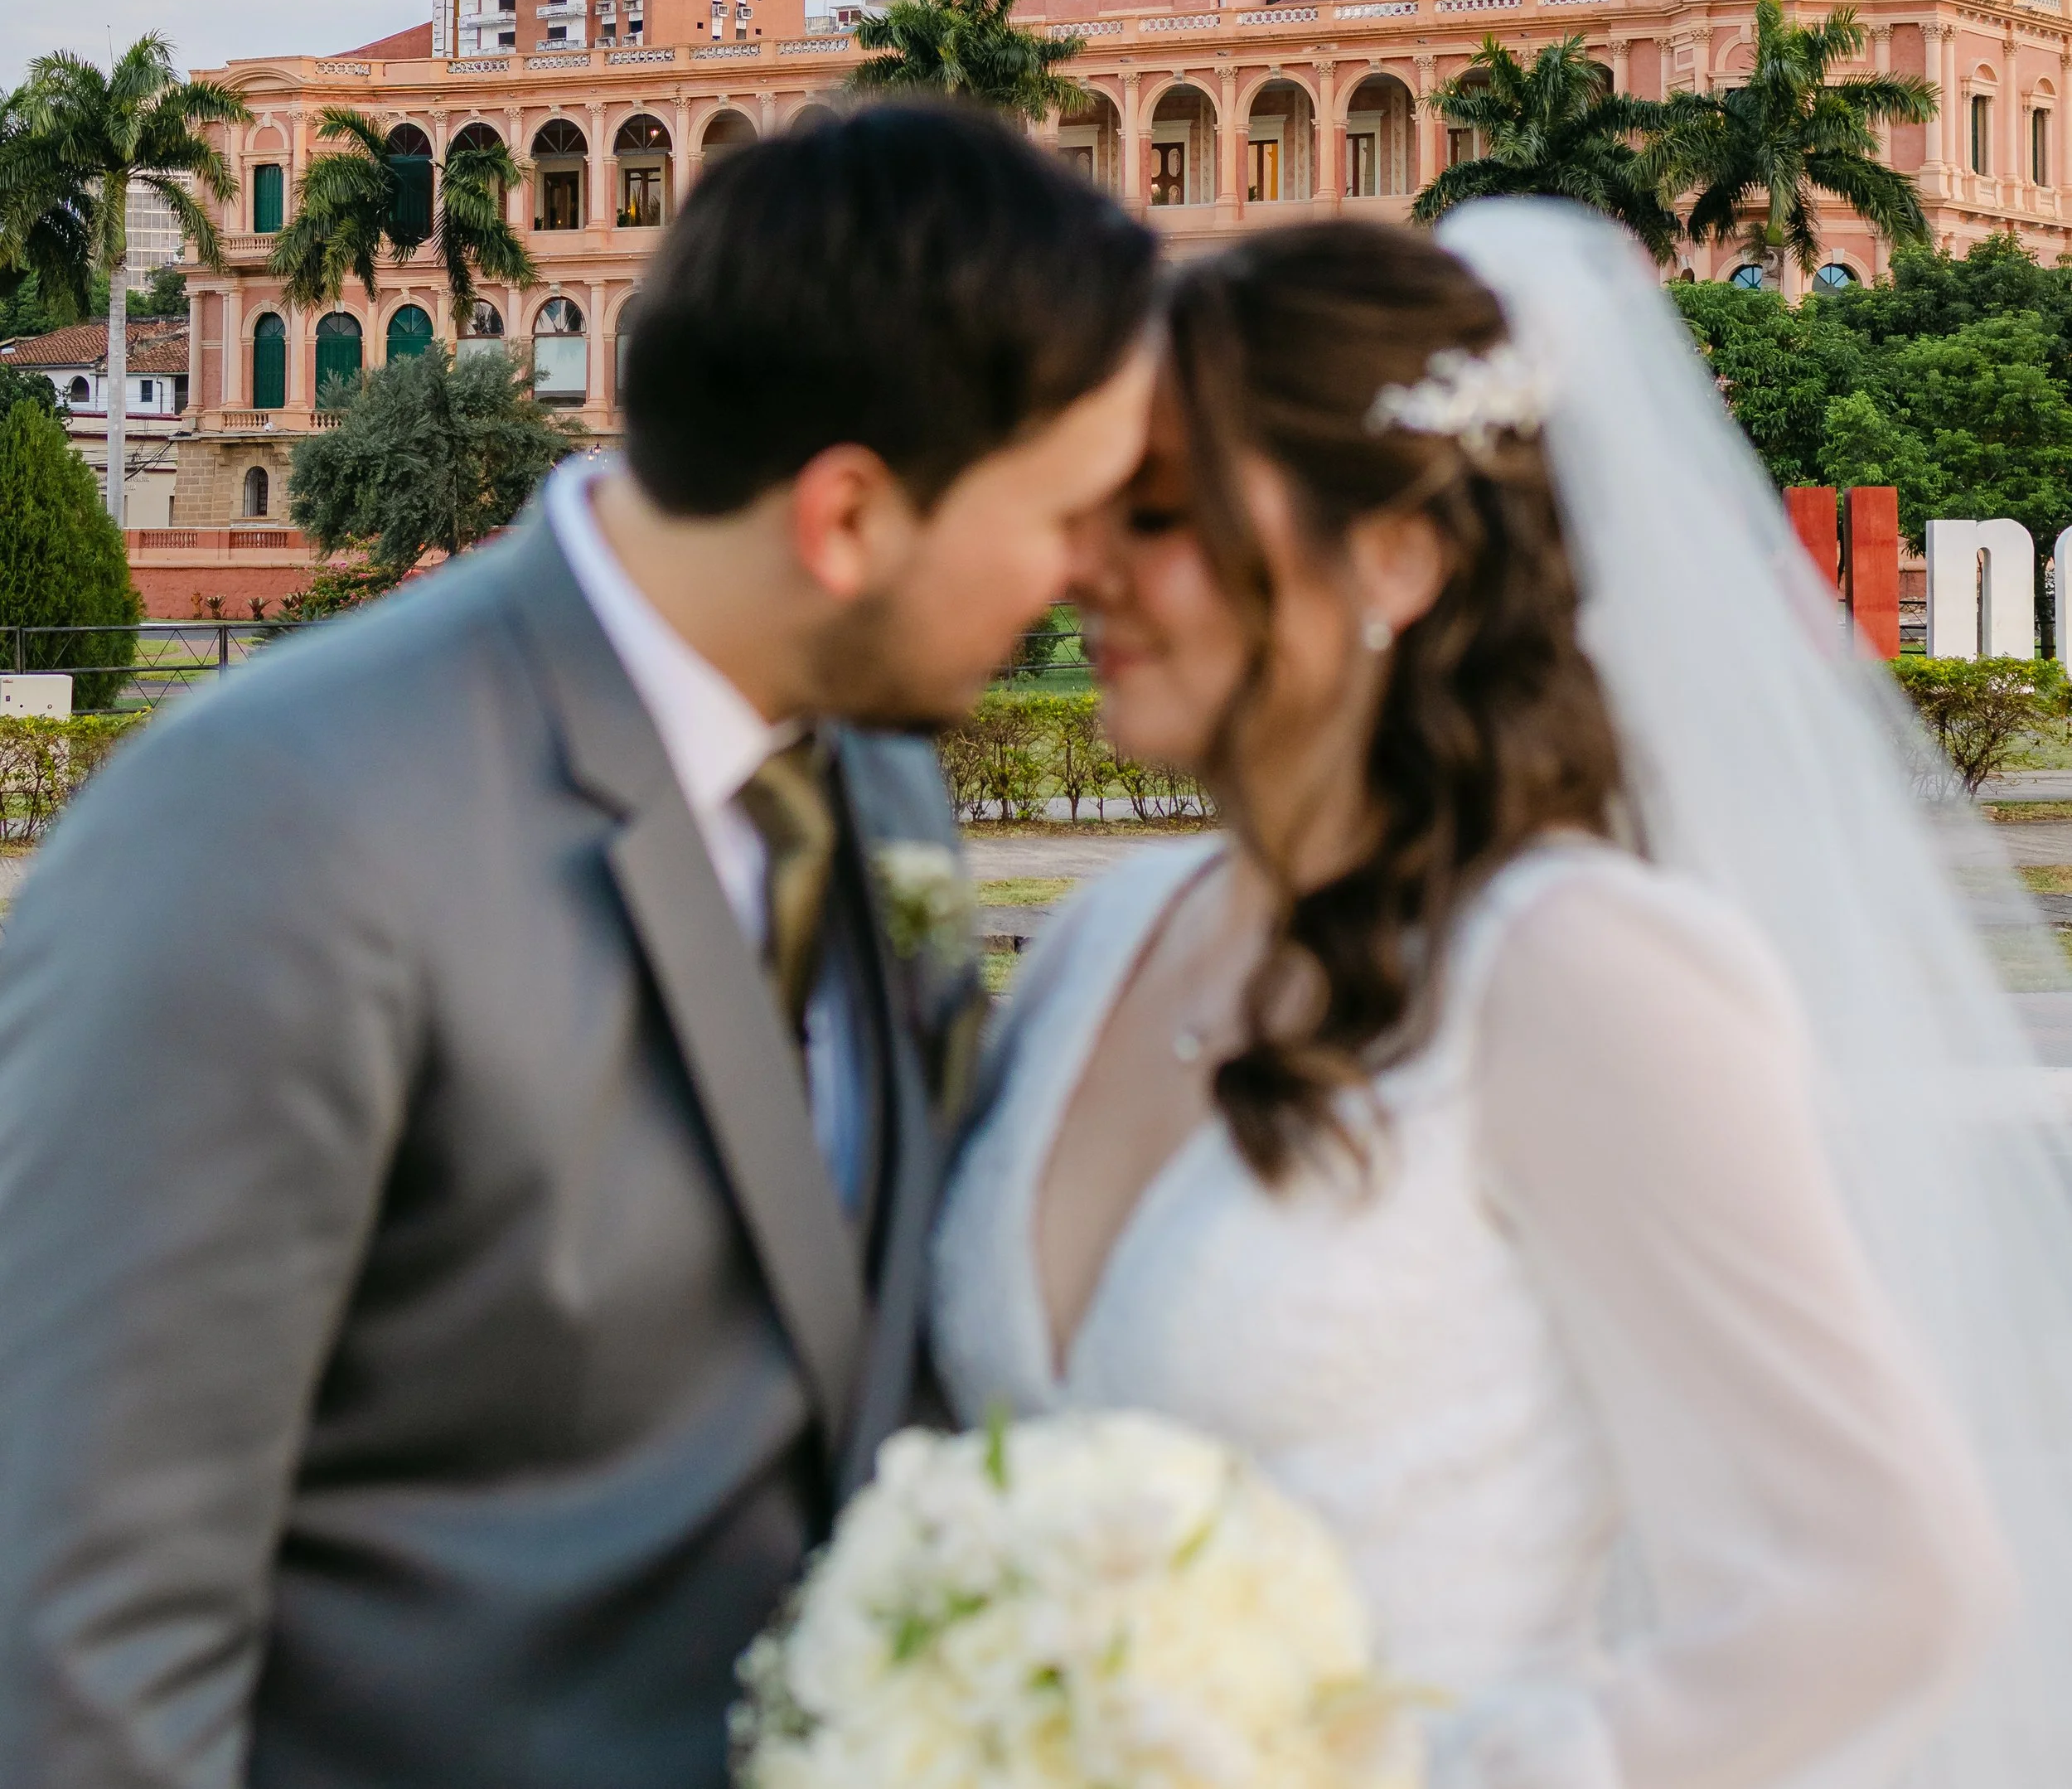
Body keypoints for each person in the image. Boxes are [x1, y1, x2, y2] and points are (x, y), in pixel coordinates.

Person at [0, 101, 1157, 1789]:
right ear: (844, 520)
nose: (1090, 569)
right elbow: (84, 1637)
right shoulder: (274, 829)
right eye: (1063, 512)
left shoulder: (879, 782)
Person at [932, 205, 2072, 1788]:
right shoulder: (1093, 944)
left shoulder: (1577, 972)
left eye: (1166, 511)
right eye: (1095, 506)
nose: (1089, 567)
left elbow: (1885, 1577)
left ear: (1397, 548)